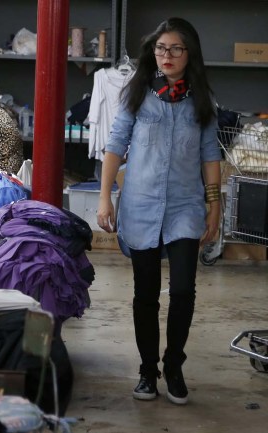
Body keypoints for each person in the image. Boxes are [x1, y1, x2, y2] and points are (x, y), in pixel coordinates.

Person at [96, 17, 221, 405]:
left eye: (176, 49)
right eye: (160, 48)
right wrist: (104, 197)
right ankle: (147, 371)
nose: (166, 56)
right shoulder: (138, 95)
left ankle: (174, 365)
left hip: (185, 207)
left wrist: (214, 205)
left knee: (183, 290)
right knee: (145, 294)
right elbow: (115, 145)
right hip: (141, 205)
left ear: (190, 54)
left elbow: (210, 155)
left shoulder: (202, 101)